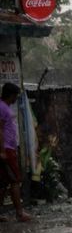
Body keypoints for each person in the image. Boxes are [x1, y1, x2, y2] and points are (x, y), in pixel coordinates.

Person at [0, 83, 32, 222]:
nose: (16, 98)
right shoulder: (2, 108)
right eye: (16, 96)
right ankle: (19, 213)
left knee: (2, 182)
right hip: (6, 149)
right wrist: (2, 150)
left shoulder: (5, 107)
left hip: (9, 148)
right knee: (15, 181)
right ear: (11, 95)